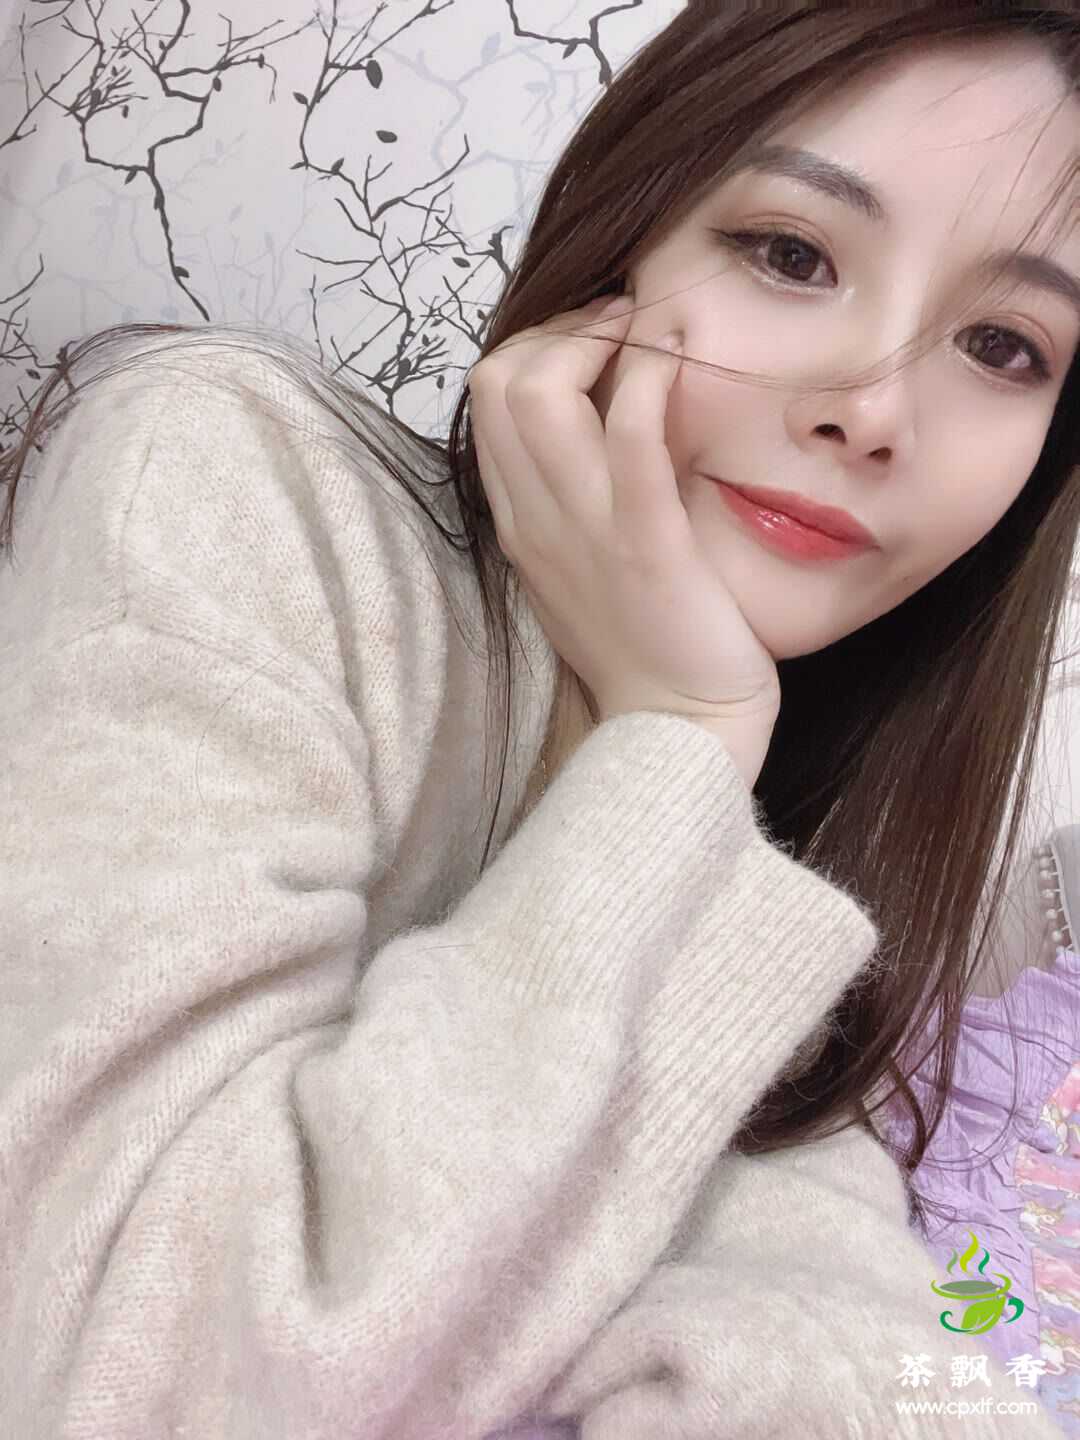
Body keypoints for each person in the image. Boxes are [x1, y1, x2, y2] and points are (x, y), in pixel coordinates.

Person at [1, 3, 1078, 1436]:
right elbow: (128, 1377)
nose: (873, 410)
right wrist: (680, 732)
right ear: (622, 242)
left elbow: (845, 1338)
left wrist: (683, 752)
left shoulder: (798, 799)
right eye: (792, 254)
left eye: (1003, 345)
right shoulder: (232, 475)